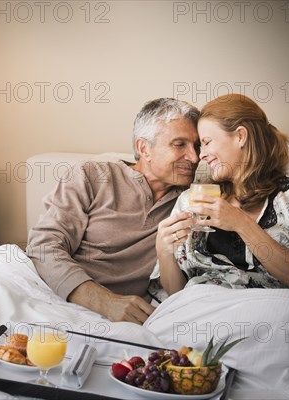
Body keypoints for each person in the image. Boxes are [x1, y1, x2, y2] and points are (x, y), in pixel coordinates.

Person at [26, 98, 201, 324]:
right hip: (56, 297)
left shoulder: (195, 200)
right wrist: (105, 302)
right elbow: (43, 247)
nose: (195, 157)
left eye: (197, 146)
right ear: (144, 148)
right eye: (180, 145)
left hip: (127, 321)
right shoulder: (91, 174)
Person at [155, 94, 289, 300]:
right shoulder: (192, 200)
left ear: (240, 136)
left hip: (269, 312)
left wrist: (240, 223)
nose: (201, 155)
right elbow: (175, 294)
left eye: (207, 142)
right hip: (197, 311)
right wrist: (163, 250)